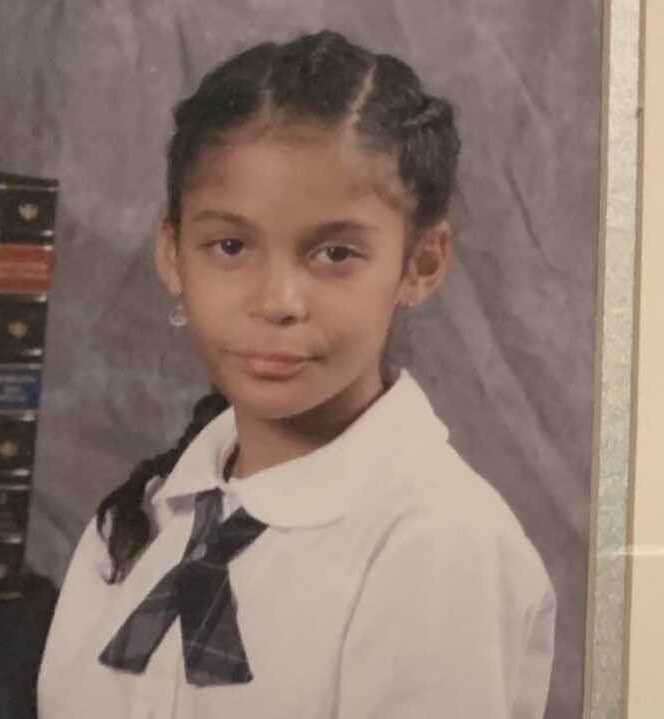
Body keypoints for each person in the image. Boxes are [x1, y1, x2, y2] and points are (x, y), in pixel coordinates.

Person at [38, 29, 556, 719]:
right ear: (172, 252)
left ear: (421, 264)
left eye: (335, 253)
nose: (277, 301)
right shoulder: (135, 522)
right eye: (229, 245)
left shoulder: (441, 546)